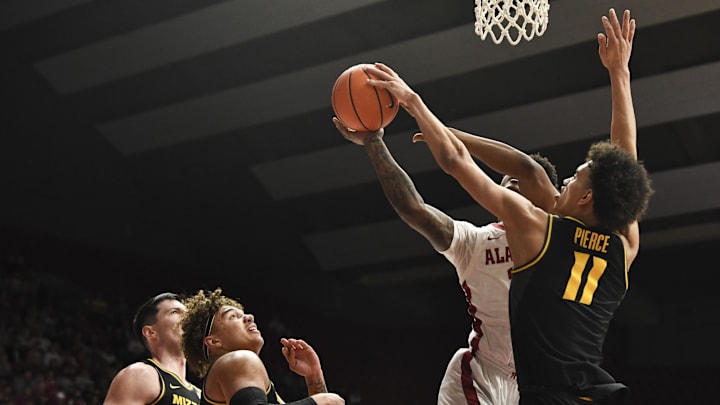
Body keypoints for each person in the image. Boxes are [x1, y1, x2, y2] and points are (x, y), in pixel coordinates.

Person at [359, 8, 653, 405]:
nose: (564, 182)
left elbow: (456, 163)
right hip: (593, 394)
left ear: (586, 197)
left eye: (573, 179)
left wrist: (413, 101)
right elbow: (624, 159)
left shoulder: (538, 230)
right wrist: (620, 74)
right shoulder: (623, 245)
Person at [332, 116, 557, 405]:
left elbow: (530, 170)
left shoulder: (561, 237)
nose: (510, 183)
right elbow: (414, 209)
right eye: (504, 181)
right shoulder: (475, 241)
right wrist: (374, 143)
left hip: (531, 383)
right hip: (481, 374)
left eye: (519, 181)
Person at [180, 287, 345, 405]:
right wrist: (316, 402)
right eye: (233, 316)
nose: (249, 317)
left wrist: (314, 377)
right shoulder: (236, 359)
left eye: (244, 313)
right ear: (214, 341)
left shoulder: (244, 374)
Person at [104, 292, 202, 405]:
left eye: (188, 313)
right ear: (151, 333)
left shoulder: (200, 396)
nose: (187, 317)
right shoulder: (140, 375)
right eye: (175, 312)